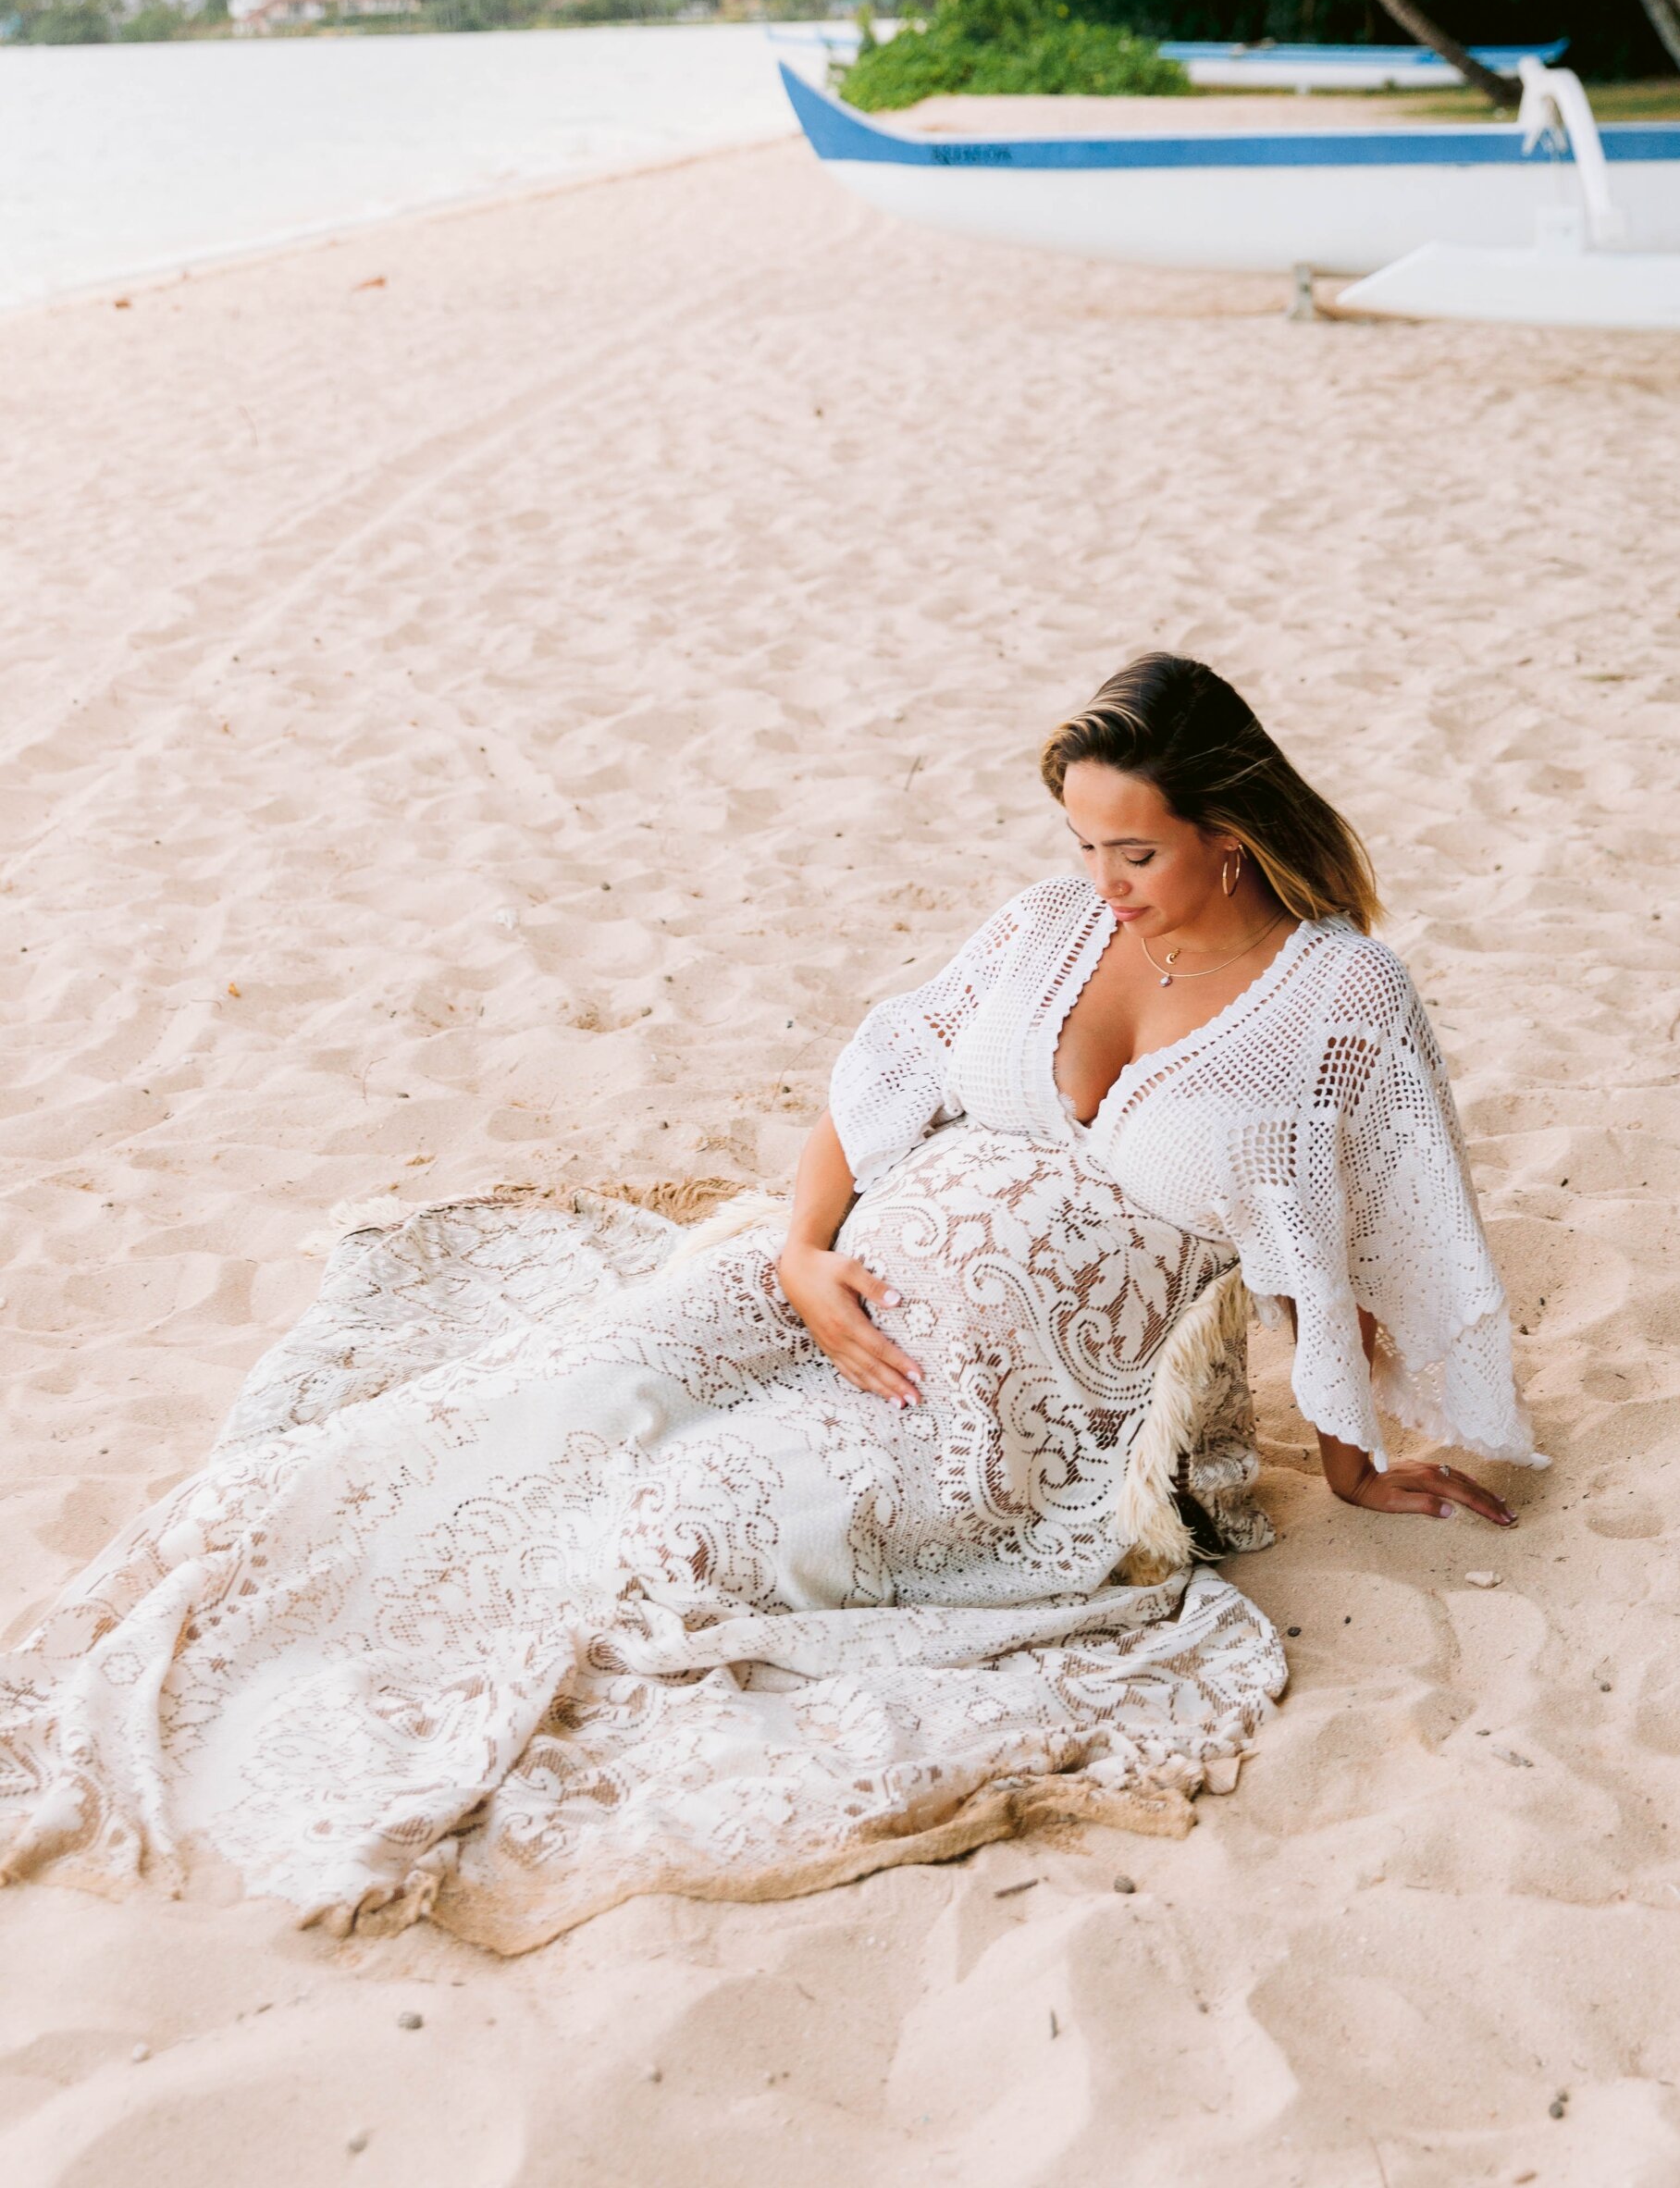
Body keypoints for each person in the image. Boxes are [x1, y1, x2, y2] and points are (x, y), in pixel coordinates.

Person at [0, 654, 1535, 1952]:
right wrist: (802, 1255)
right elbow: (883, 1079)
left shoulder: (1341, 1001)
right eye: (1082, 846)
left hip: (996, 1412)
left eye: (1135, 852)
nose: (1103, 885)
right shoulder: (1052, 926)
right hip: (822, 1284)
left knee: (684, 1531)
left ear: (1233, 828)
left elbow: (1374, 1248)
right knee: (558, 1398)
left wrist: (1353, 1457)